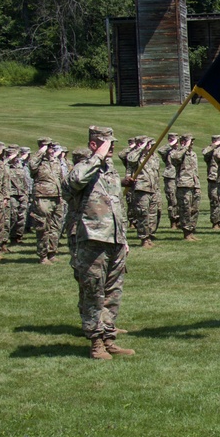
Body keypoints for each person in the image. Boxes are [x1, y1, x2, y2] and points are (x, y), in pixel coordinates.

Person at [70, 126, 133, 360]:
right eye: (107, 143)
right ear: (94, 145)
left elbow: (117, 206)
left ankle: (109, 338)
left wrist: (124, 238)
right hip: (92, 239)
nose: (112, 147)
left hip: (114, 238)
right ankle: (96, 343)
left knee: (112, 293)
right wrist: (96, 158)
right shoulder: (83, 168)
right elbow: (73, 182)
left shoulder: (110, 171)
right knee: (93, 292)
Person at [29, 137, 65, 264]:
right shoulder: (38, 161)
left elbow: (61, 178)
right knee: (43, 227)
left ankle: (52, 252)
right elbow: (31, 166)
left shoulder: (55, 161)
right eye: (48, 146)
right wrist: (41, 151)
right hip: (42, 197)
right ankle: (42, 255)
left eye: (51, 146)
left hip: (57, 197)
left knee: (56, 226)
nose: (51, 149)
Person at [169, 134, 201, 241]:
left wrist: (197, 185)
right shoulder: (177, 153)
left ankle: (191, 230)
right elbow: (175, 159)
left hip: (194, 184)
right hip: (184, 184)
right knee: (185, 209)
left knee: (194, 209)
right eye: (189, 141)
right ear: (183, 142)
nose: (192, 143)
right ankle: (186, 232)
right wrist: (184, 147)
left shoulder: (193, 154)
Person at [156, 132, 180, 228]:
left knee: (181, 200)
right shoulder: (167, 151)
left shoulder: (180, 150)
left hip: (181, 177)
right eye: (171, 140)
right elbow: (160, 150)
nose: (175, 142)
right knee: (172, 199)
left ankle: (180, 220)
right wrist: (170, 144)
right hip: (170, 177)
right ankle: (173, 220)